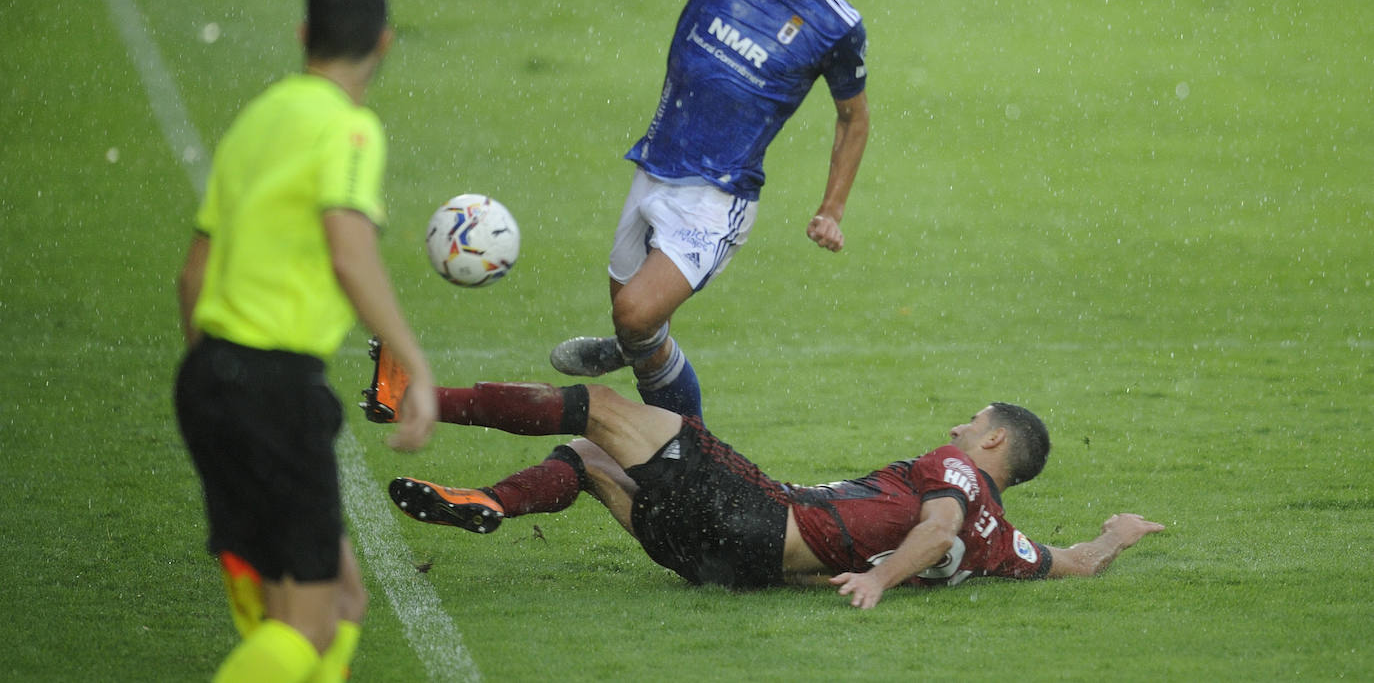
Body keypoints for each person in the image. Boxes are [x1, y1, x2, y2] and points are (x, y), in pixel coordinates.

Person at [438, 0, 870, 419]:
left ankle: (693, 457)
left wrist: (831, 209)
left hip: (719, 196)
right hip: (654, 166)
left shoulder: (836, 26)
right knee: (640, 334)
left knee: (638, 315)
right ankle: (664, 423)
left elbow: (853, 119)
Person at [363, 363, 1164, 608]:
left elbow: (940, 526)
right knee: (589, 457)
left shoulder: (956, 477)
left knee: (602, 411)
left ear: (992, 442)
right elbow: (1075, 562)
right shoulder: (1008, 545)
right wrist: (1116, 536)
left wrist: (882, 578)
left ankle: (414, 397)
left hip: (754, 517)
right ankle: (492, 502)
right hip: (719, 567)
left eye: (970, 423)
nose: (955, 430)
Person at [175, 0, 439, 681]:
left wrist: (221, 383)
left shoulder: (257, 120)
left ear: (302, 35)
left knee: (343, 601)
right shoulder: (349, 131)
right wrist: (412, 363)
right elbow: (350, 253)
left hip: (207, 378)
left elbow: (193, 277)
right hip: (275, 387)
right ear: (384, 44)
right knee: (310, 623)